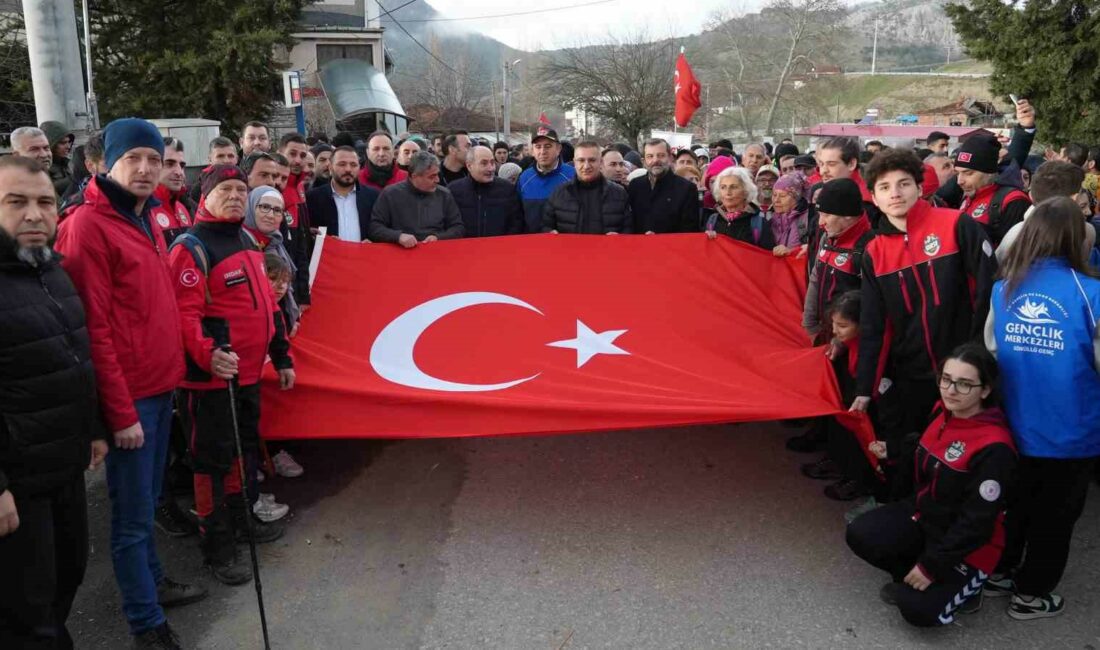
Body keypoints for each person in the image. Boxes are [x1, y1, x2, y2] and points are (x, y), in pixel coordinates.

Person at [55, 117, 203, 649]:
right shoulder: (87, 226)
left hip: (161, 386)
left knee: (147, 499)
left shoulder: (142, 217)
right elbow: (91, 330)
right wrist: (118, 414)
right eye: (133, 158)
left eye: (153, 159)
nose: (145, 169)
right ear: (105, 163)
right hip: (131, 398)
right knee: (133, 516)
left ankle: (153, 582)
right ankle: (145, 623)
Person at [0, 156, 108, 649]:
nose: (34, 214)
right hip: (17, 488)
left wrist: (94, 427)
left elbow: (73, 359)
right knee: (27, 613)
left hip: (63, 467)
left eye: (45, 202)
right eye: (15, 202)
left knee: (66, 581)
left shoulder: (52, 273)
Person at [168, 166, 293, 587]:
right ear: (206, 195)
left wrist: (282, 355)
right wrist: (210, 355)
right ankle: (217, 545)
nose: (237, 196)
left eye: (242, 189)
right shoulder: (191, 246)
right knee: (211, 461)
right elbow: (184, 315)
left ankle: (241, 522)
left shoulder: (245, 239)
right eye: (227, 189)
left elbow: (268, 304)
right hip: (209, 379)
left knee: (241, 452)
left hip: (249, 372)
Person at [985, 196, 1100, 620]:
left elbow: (993, 349)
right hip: (1072, 429)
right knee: (1055, 518)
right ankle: (1032, 594)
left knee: (1014, 505)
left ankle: (1000, 572)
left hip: (1013, 422)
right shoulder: (1092, 294)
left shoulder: (1005, 289)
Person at [847, 343, 1016, 627]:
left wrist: (931, 567)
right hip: (926, 517)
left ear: (985, 390)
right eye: (946, 379)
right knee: (861, 533)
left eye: (964, 384)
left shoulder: (994, 446)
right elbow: (921, 447)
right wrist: (893, 451)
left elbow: (976, 524)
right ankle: (914, 574)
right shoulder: (943, 411)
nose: (951, 390)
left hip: (969, 545)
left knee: (917, 611)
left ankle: (964, 589)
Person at [852, 149, 996, 448]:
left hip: (964, 371)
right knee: (913, 448)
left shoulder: (957, 225)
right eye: (884, 187)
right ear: (874, 198)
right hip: (912, 375)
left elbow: (989, 294)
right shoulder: (874, 254)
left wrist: (977, 355)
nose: (895, 193)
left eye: (903, 184)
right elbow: (874, 325)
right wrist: (865, 386)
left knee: (961, 449)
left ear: (919, 188)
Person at [802, 179, 875, 339]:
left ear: (848, 215)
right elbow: (815, 278)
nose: (821, 222)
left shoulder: (870, 247)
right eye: (819, 214)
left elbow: (873, 303)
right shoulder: (827, 238)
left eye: (827, 215)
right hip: (823, 331)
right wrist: (809, 323)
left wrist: (844, 338)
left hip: (850, 338)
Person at [996, 161, 1092, 262]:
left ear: (1031, 196)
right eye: (1082, 191)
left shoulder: (1015, 236)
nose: (1089, 212)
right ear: (1073, 200)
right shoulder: (1087, 233)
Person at [367, 151, 464, 246]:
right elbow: (375, 228)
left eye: (437, 174)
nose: (437, 180)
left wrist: (438, 237)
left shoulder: (444, 195)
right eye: (432, 177)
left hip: (435, 251)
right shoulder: (390, 194)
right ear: (414, 176)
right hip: (401, 253)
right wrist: (398, 236)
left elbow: (458, 228)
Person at [955, 135, 1031, 246]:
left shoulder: (1013, 201)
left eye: (968, 173)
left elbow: (1014, 253)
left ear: (989, 172)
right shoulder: (968, 196)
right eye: (957, 173)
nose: (959, 181)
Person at [542, 141, 631, 235]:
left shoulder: (619, 194)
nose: (586, 166)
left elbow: (629, 229)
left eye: (592, 160)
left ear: (601, 162)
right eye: (581, 160)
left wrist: (620, 239)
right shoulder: (558, 193)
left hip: (606, 249)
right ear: (574, 162)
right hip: (569, 249)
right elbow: (545, 226)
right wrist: (550, 233)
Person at [306, 146, 380, 243]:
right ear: (330, 168)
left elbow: (380, 229)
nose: (348, 169)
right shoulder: (313, 198)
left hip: (364, 256)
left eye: (353, 165)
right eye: (342, 164)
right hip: (328, 257)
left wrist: (373, 242)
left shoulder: (373, 197)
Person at [448, 146, 525, 237]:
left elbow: (516, 223)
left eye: (492, 163)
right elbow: (450, 225)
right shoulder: (453, 190)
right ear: (469, 166)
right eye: (484, 163)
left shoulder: (507, 189)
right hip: (465, 248)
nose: (491, 168)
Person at [627, 138, 699, 234]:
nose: (655, 160)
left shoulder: (687, 189)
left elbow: (690, 230)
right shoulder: (635, 185)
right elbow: (629, 222)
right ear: (643, 161)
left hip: (671, 247)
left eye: (661, 155)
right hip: (639, 246)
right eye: (650, 156)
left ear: (670, 158)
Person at [517, 126, 576, 233]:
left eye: (548, 146)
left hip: (565, 243)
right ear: (532, 151)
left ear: (558, 149)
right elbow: (517, 216)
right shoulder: (524, 178)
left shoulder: (573, 176)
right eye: (538, 147)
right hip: (533, 244)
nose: (543, 151)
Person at [703, 167, 771, 249]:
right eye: (723, 187)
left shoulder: (758, 223)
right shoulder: (712, 220)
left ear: (746, 191)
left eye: (734, 187)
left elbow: (767, 256)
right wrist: (706, 240)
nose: (728, 192)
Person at [152, 137, 195, 245]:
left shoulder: (182, 208)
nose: (179, 172)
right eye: (170, 164)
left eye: (182, 165)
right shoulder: (143, 211)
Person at [769, 172, 810, 256]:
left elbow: (816, 250)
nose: (776, 200)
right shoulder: (772, 218)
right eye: (774, 194)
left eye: (783, 196)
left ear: (796, 197)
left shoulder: (808, 218)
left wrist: (790, 251)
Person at [40, 121, 75, 197]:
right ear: (51, 144)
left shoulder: (68, 164)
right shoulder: (40, 168)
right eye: (63, 143)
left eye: (69, 142)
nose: (68, 147)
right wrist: (75, 178)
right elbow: (47, 191)